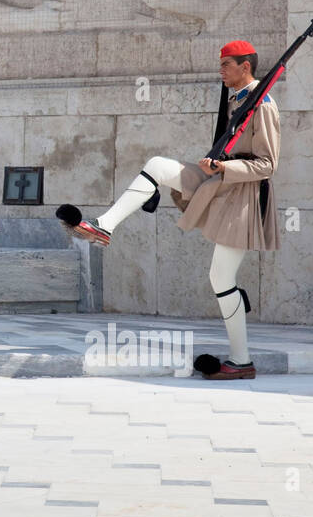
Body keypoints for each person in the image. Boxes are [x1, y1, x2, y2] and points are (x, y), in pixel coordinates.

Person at [59, 40, 279, 379]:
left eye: (226, 65)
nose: (220, 71)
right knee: (158, 166)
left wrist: (224, 168)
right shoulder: (236, 99)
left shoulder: (262, 104)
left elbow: (267, 164)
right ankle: (104, 225)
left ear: (245, 66)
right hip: (218, 183)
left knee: (221, 278)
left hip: (243, 197)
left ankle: (241, 361)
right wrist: (216, 166)